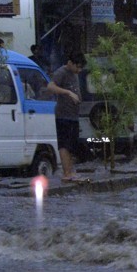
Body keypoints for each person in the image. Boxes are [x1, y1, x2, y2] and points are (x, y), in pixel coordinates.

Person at [45, 52, 86, 181]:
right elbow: (50, 86)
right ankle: (66, 173)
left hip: (73, 115)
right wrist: (67, 92)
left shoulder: (74, 74)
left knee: (71, 145)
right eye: (77, 67)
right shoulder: (61, 72)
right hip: (64, 115)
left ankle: (70, 171)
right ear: (70, 63)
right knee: (64, 145)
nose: (79, 70)